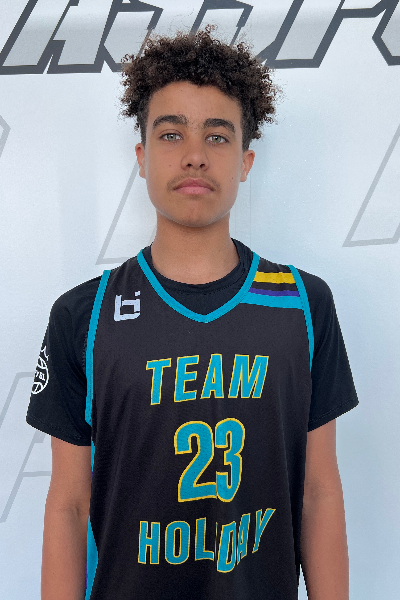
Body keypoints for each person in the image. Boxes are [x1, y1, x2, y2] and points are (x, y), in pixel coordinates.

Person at [26, 25, 358, 600]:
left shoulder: (304, 305)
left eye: (218, 136)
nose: (196, 155)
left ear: (246, 161)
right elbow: (69, 504)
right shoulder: (84, 314)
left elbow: (319, 492)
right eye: (171, 133)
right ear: (142, 156)